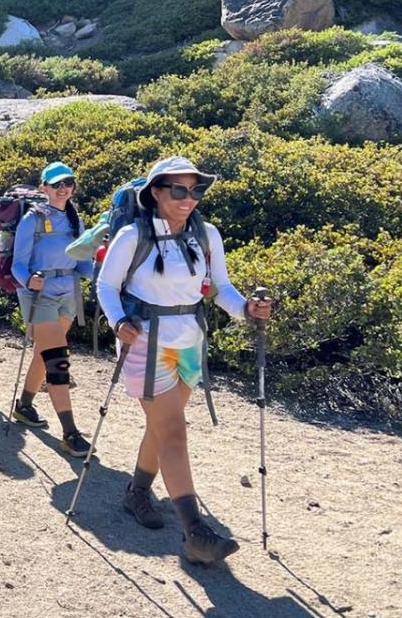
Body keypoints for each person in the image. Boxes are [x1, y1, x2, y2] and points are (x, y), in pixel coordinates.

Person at [96, 155, 273, 564]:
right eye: (178, 190)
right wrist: (119, 320)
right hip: (146, 343)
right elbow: (107, 285)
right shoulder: (131, 236)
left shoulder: (207, 234)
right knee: (174, 430)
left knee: (162, 428)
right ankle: (196, 534)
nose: (188, 198)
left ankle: (137, 493)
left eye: (195, 190)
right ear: (155, 193)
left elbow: (220, 287)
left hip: (191, 345)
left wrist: (246, 309)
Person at [9, 162, 94, 457]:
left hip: (68, 293)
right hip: (40, 295)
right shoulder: (32, 220)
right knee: (58, 359)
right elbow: (17, 264)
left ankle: (24, 406)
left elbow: (84, 265)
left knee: (44, 355)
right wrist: (27, 279)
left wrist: (105, 268)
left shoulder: (75, 220)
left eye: (68, 183)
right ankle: (70, 433)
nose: (63, 188)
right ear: (43, 188)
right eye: (56, 184)